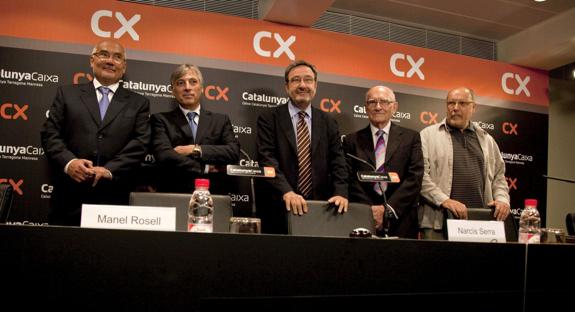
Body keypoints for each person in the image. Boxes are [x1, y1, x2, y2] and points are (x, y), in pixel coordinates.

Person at [41, 39, 151, 226]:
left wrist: (109, 169)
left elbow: (141, 143)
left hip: (115, 199)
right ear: (92, 60)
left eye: (117, 57)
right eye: (103, 54)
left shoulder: (139, 103)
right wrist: (70, 162)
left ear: (123, 67)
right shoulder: (66, 94)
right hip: (69, 197)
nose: (110, 60)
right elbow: (50, 134)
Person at [256, 60, 348, 234]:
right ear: (286, 86)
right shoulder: (269, 118)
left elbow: (338, 161)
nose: (302, 85)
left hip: (321, 209)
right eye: (296, 80)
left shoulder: (328, 122)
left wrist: (341, 193)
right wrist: (287, 192)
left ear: (316, 85)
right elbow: (267, 159)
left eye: (308, 80)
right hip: (279, 206)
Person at [418, 86, 510, 240]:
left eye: (462, 103)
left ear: (473, 107)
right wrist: (444, 200)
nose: (455, 108)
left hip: (480, 224)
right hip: (439, 223)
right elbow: (420, 176)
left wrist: (502, 199)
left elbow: (499, 177)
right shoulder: (427, 136)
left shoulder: (486, 139)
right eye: (451, 103)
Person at [343, 86, 423, 238]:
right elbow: (349, 178)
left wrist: (388, 209)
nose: (378, 107)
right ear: (366, 108)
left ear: (394, 107)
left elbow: (414, 177)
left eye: (384, 102)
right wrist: (370, 210)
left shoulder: (411, 138)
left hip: (401, 218)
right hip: (363, 218)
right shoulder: (351, 140)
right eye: (372, 102)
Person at [150, 64, 239, 193]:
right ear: (172, 89)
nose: (187, 88)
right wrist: (204, 168)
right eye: (181, 83)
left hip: (213, 194)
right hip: (173, 192)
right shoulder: (160, 120)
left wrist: (195, 149)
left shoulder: (220, 120)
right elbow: (164, 155)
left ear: (202, 88)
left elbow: (233, 152)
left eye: (193, 82)